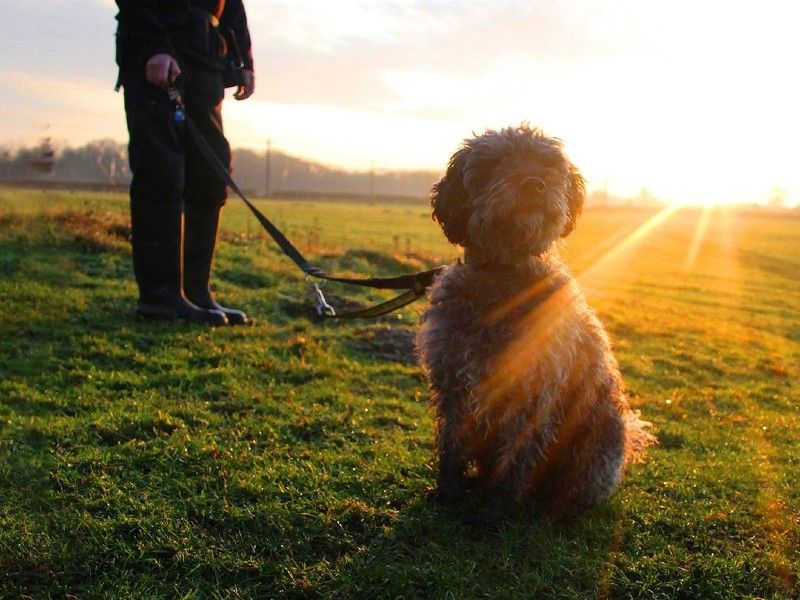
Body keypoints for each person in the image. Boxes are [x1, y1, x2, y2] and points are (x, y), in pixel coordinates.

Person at [115, 0, 255, 325]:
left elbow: (232, 4)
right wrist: (153, 46)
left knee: (210, 175)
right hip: (158, 47)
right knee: (162, 174)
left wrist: (243, 58)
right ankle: (160, 299)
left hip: (206, 56)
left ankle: (197, 294)